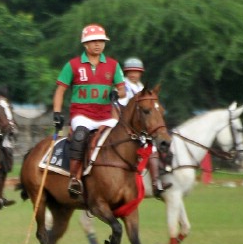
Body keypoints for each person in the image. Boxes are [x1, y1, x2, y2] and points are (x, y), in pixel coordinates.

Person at [52, 24, 126, 199]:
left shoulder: (113, 65)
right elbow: (60, 90)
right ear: (85, 44)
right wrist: (56, 113)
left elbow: (122, 90)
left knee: (124, 137)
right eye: (93, 41)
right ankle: (74, 177)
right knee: (80, 136)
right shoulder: (73, 65)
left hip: (106, 116)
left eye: (101, 41)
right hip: (82, 114)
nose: (97, 44)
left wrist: (117, 92)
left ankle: (133, 174)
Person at [119, 56, 165, 198]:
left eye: (136, 72)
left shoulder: (142, 89)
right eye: (130, 71)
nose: (133, 74)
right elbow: (122, 107)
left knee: (154, 147)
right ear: (126, 73)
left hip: (141, 129)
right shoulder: (123, 87)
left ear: (141, 73)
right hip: (126, 127)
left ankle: (156, 182)